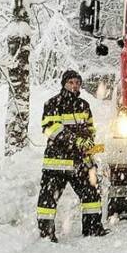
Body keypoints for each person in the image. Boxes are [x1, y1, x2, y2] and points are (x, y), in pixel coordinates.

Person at [36, 70, 107, 241]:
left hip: (80, 162)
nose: (74, 85)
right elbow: (52, 129)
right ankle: (46, 234)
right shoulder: (53, 103)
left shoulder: (83, 105)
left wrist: (89, 143)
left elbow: (90, 128)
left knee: (91, 194)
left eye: (77, 82)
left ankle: (92, 229)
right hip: (57, 163)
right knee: (48, 200)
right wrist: (76, 141)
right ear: (64, 84)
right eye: (71, 82)